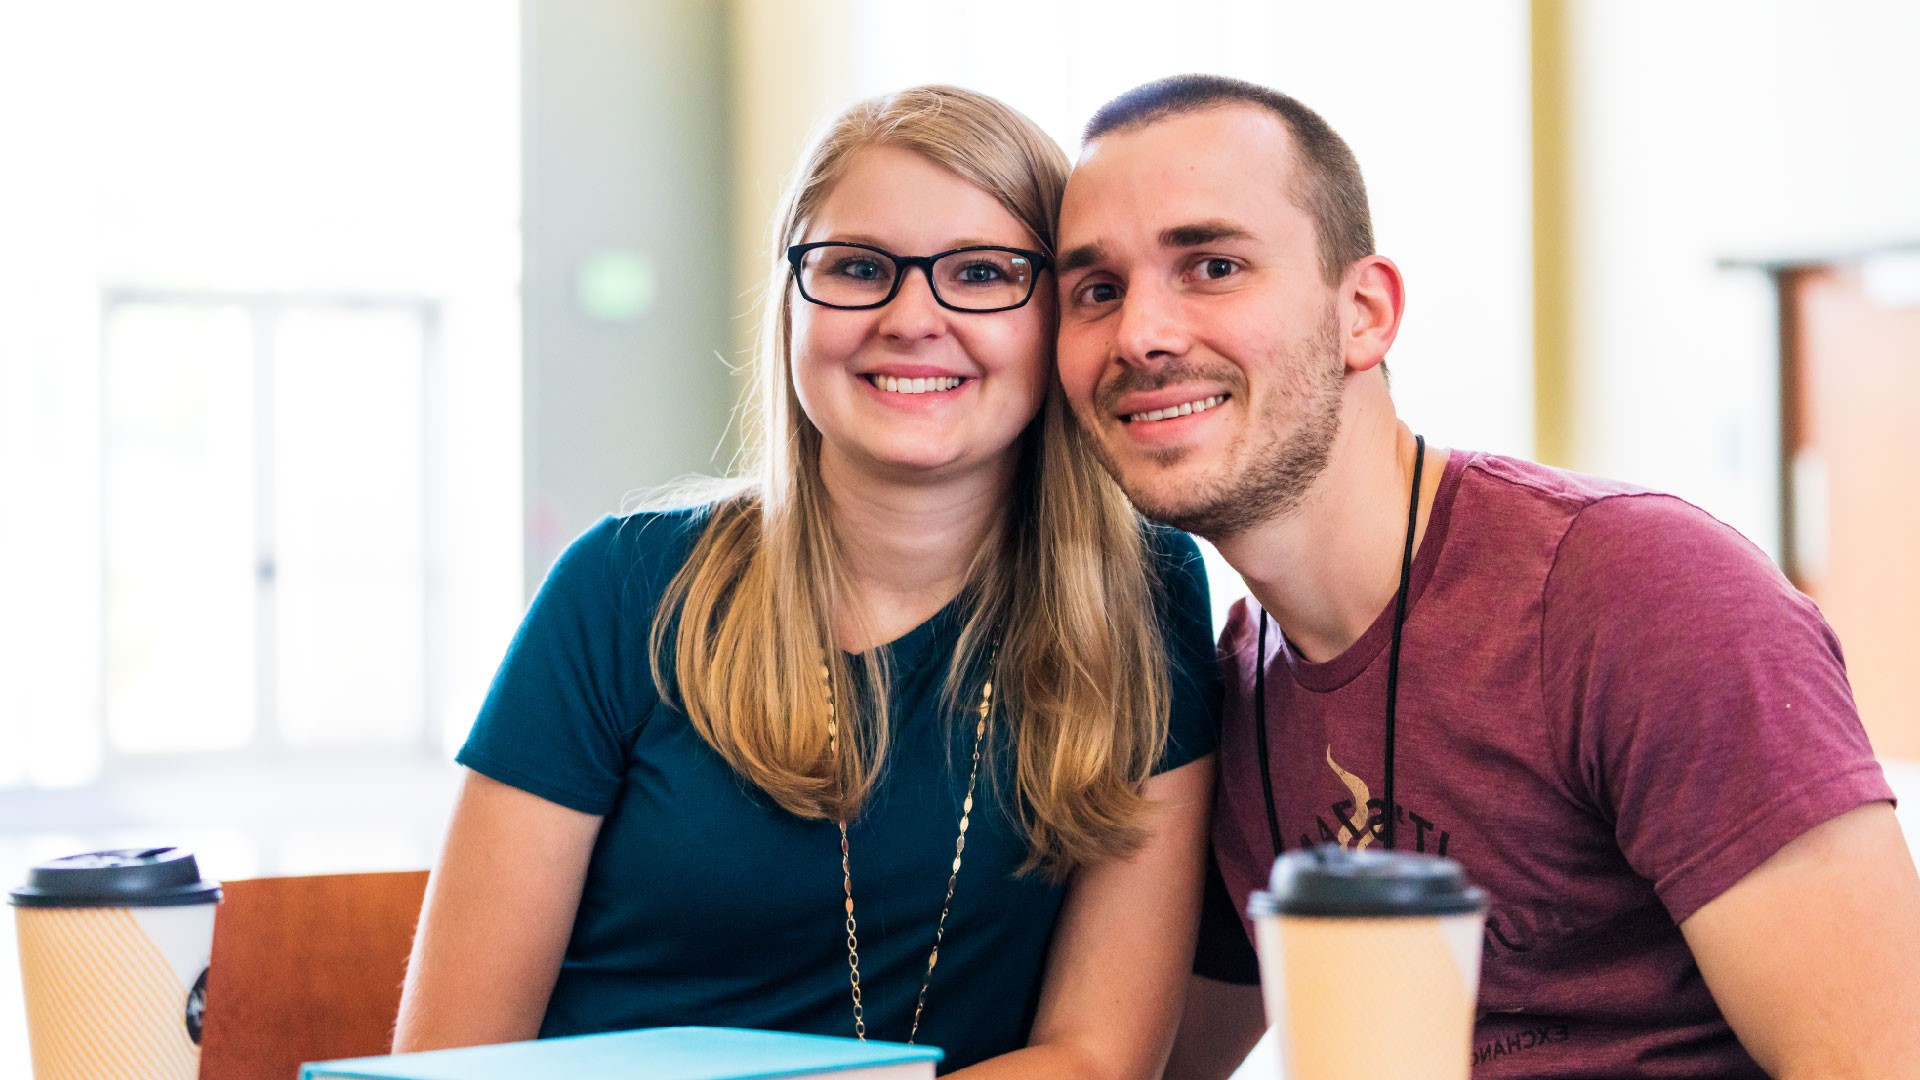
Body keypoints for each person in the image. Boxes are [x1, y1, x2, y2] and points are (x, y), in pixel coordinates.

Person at [1051, 73, 1920, 1079]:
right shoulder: (1235, 690)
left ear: (1366, 313)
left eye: (1212, 265)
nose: (1141, 334)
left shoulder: (1641, 596)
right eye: (1096, 290)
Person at [391, 86, 1220, 1077]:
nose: (913, 318)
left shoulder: (1145, 596)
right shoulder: (622, 590)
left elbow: (1098, 1060)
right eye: (859, 268)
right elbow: (448, 1061)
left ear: (1060, 317)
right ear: (793, 302)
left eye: (984, 273)